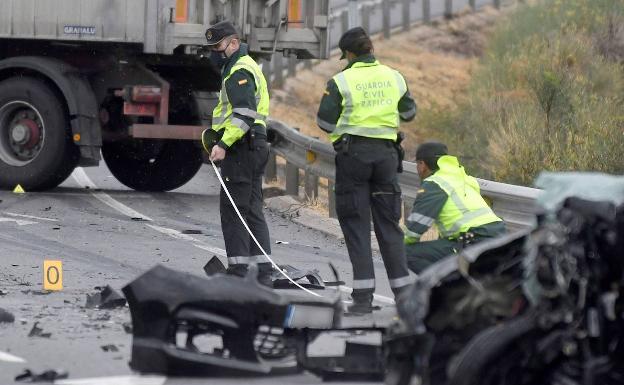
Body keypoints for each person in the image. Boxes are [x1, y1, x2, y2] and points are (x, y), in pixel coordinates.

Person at [316, 27, 417, 313]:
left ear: (348, 53)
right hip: (386, 158)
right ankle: (404, 298)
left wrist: (345, 133)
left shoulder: (341, 81)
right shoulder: (394, 76)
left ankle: (362, 299)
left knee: (357, 225)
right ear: (371, 49)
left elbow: (324, 123)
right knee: (389, 226)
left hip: (354, 158)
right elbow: (409, 113)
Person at [202, 21, 272, 286]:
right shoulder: (246, 66)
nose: (215, 52)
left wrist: (223, 145)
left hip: (242, 147)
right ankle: (262, 274)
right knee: (252, 210)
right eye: (211, 48)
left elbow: (244, 113)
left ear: (233, 42)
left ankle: (239, 273)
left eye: (218, 46)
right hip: (255, 145)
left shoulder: (239, 71)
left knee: (234, 211)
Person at [404, 142, 506, 273]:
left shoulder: (434, 183)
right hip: (497, 237)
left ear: (422, 165)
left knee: (404, 253)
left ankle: (441, 288)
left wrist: (397, 244)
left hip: (474, 241)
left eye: (417, 164)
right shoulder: (464, 178)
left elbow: (415, 229)